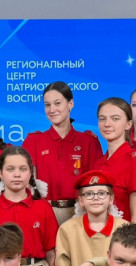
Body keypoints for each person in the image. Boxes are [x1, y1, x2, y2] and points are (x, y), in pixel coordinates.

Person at [53, 170, 129, 266]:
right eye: (89, 194)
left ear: (111, 199)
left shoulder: (125, 228)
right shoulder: (67, 230)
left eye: (101, 193)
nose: (95, 198)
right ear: (80, 201)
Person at [23, 81, 103, 226]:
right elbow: (28, 186)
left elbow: (95, 183)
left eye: (57, 103)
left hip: (80, 212)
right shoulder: (34, 140)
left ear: (70, 104)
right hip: (45, 212)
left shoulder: (88, 141)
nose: (52, 109)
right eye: (47, 105)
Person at [97, 97, 136, 225]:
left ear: (128, 124)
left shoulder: (135, 162)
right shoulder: (97, 163)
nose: (107, 124)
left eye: (115, 119)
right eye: (102, 119)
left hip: (122, 235)